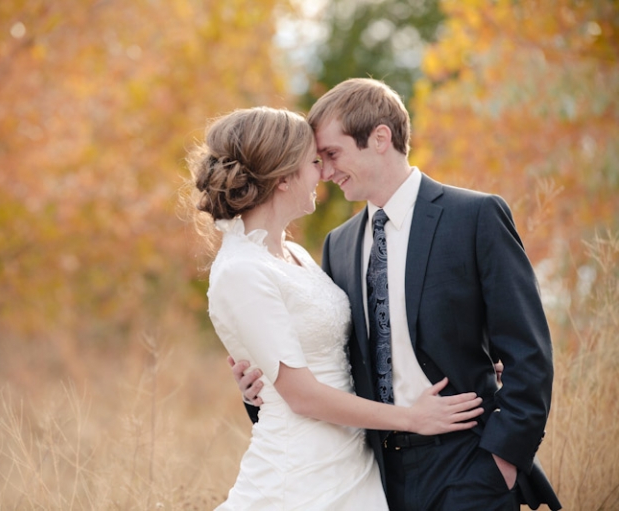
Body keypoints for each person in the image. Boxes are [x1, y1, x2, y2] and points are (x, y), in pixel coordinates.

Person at [231, 79, 561, 510]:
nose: (325, 172)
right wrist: (257, 394)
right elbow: (332, 363)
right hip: (376, 476)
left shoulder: (474, 217)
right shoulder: (339, 244)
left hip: (467, 464)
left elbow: (528, 351)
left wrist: (501, 462)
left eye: (332, 154)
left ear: (381, 138)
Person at [187, 106, 484, 510]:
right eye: (313, 162)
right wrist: (412, 418)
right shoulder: (240, 270)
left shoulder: (293, 254)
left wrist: (463, 352)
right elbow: (303, 396)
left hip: (353, 464)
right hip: (300, 476)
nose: (322, 174)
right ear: (282, 178)